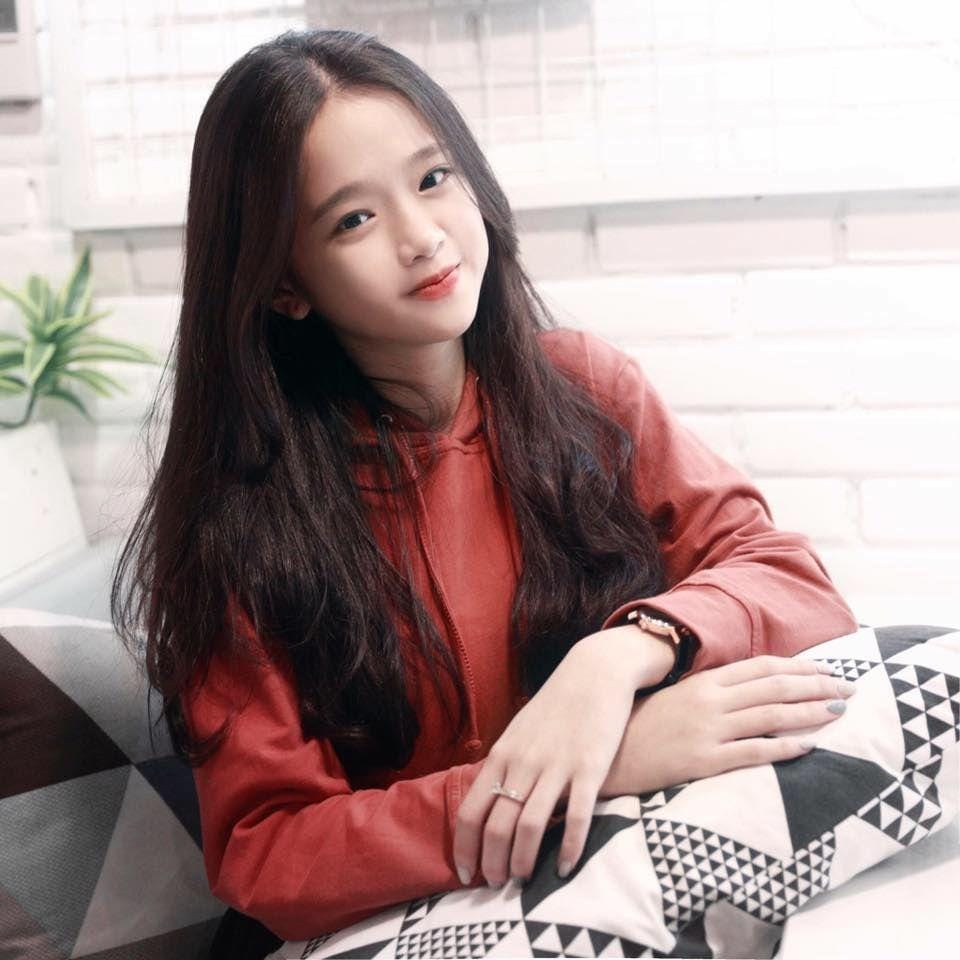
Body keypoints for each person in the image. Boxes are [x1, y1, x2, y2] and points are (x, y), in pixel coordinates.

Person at [111, 27, 859, 959]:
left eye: (433, 179)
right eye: (354, 220)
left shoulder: (585, 389)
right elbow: (269, 854)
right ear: (284, 285)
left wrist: (615, 662)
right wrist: (582, 768)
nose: (423, 237)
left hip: (610, 890)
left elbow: (790, 581)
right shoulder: (241, 528)